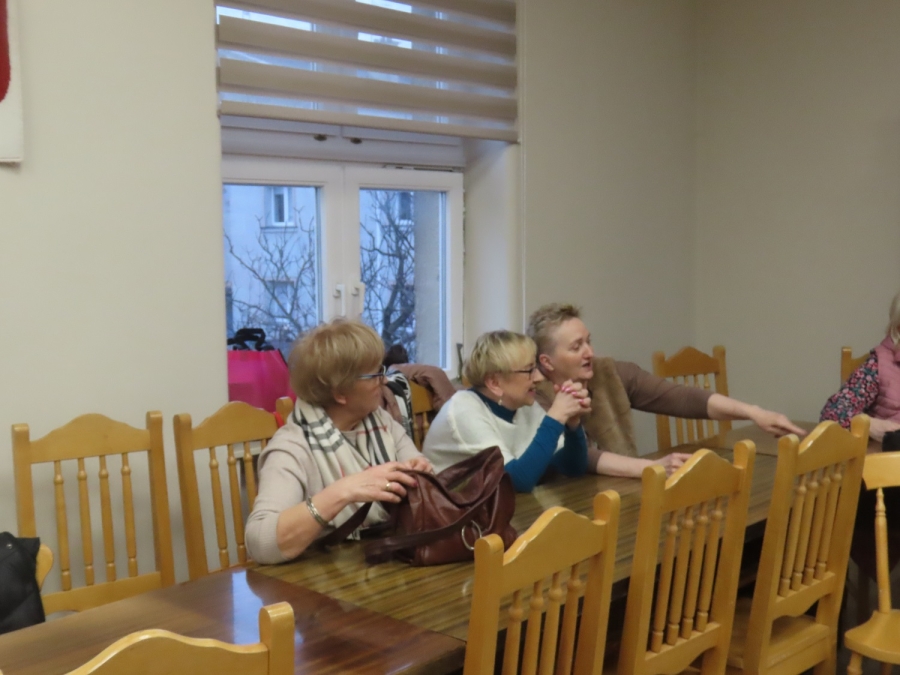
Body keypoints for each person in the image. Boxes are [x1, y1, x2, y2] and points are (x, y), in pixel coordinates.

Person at [527, 303, 805, 478]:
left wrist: (753, 413)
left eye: (588, 341)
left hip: (624, 495)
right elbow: (584, 457)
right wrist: (652, 467)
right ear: (547, 362)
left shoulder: (612, 373)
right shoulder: (534, 397)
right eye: (576, 347)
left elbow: (682, 398)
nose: (589, 352)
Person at [245, 319, 432, 565]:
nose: (384, 381)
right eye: (375, 375)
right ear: (340, 393)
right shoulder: (291, 447)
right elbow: (260, 543)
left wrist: (422, 473)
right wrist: (342, 491)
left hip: (379, 561)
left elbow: (423, 472)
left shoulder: (380, 421)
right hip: (319, 577)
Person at [423, 330, 590, 492]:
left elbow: (572, 467)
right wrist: (556, 417)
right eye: (529, 370)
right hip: (451, 508)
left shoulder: (522, 405)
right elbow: (515, 481)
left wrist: (572, 425)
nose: (539, 378)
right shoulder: (463, 411)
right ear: (494, 383)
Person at [820, 291, 900, 442]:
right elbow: (832, 413)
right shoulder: (877, 365)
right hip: (885, 453)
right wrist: (870, 425)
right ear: (898, 329)